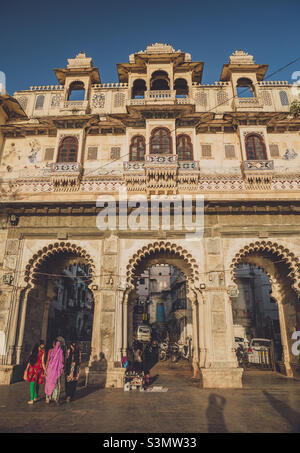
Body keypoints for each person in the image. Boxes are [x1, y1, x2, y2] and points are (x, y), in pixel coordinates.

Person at [24, 340, 46, 405]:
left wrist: (27, 368)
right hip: (39, 368)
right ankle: (35, 397)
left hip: (32, 368)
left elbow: (30, 361)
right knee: (37, 383)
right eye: (43, 344)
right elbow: (42, 362)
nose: (43, 345)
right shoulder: (42, 352)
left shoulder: (33, 351)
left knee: (32, 383)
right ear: (40, 345)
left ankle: (32, 399)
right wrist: (45, 370)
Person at [45, 338, 64, 404]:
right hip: (57, 370)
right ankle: (56, 398)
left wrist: (45, 369)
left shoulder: (50, 351)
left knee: (48, 383)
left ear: (53, 345)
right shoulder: (60, 351)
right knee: (56, 384)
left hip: (50, 369)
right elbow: (62, 361)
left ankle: (48, 398)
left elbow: (47, 360)